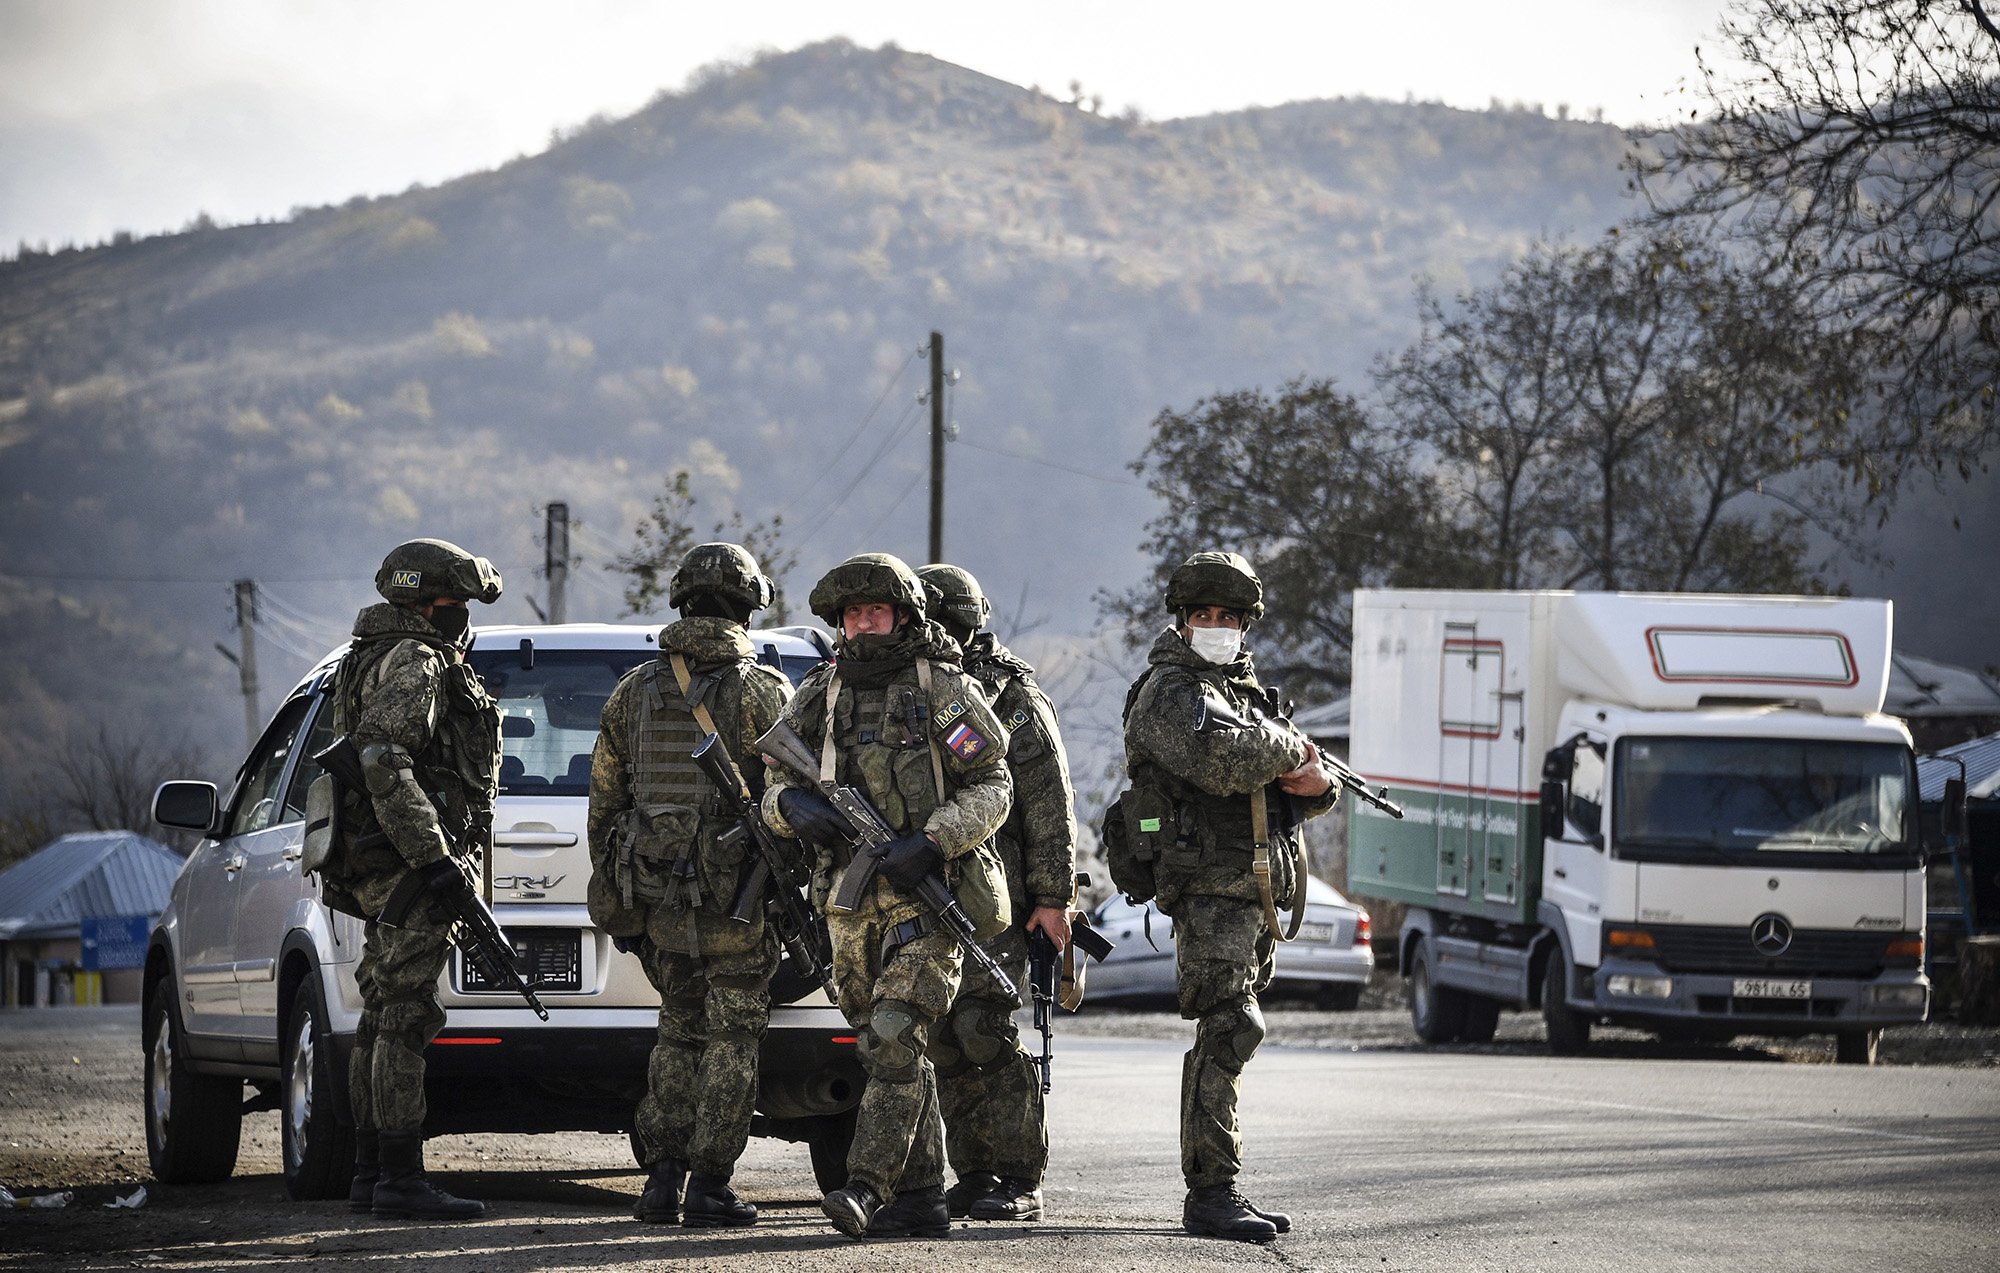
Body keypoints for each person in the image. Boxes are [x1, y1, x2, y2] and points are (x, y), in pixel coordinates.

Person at [760, 552, 1013, 1240]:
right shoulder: (820, 692)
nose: (863, 625)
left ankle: (866, 1185)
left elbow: (994, 781)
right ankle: (924, 1194)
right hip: (847, 906)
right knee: (890, 1047)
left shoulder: (942, 690)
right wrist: (791, 810)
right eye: (852, 615)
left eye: (875, 612)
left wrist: (933, 840)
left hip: (924, 901)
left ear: (903, 615)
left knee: (896, 1038)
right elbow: (771, 784)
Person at [1120, 551, 1338, 1243]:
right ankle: (1211, 1190)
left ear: (1246, 625)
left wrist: (1319, 783)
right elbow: (1222, 759)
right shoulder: (1167, 691)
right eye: (1203, 616)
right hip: (1211, 889)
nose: (1215, 627)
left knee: (1233, 1028)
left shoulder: (1245, 694)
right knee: (1230, 1026)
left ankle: (1220, 1185)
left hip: (1255, 893)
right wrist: (1287, 749)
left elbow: (1296, 780)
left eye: (1228, 618)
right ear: (1182, 621)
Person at [585, 543, 795, 1228]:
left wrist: (631, 896)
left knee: (677, 1030)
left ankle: (661, 1180)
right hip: (738, 899)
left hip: (660, 898)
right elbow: (797, 801)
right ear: (746, 606)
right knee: (733, 1033)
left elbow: (604, 808)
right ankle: (710, 1181)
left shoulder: (633, 691)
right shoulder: (764, 691)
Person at [323, 538, 503, 1221]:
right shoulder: (416, 659)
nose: (462, 618)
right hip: (407, 863)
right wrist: (434, 858)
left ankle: (373, 1168)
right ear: (427, 605)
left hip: (382, 860)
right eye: (455, 605)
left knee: (381, 1009)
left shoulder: (369, 653)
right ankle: (399, 1174)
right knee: (403, 1014)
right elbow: (383, 755)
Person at [916, 563, 1077, 1224]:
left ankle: (1019, 1173)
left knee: (985, 1027)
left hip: (1001, 895)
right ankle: (975, 1169)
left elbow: (1049, 807)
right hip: (928, 888)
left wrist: (1053, 897)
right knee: (947, 1037)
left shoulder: (1011, 696)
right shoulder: (914, 685)